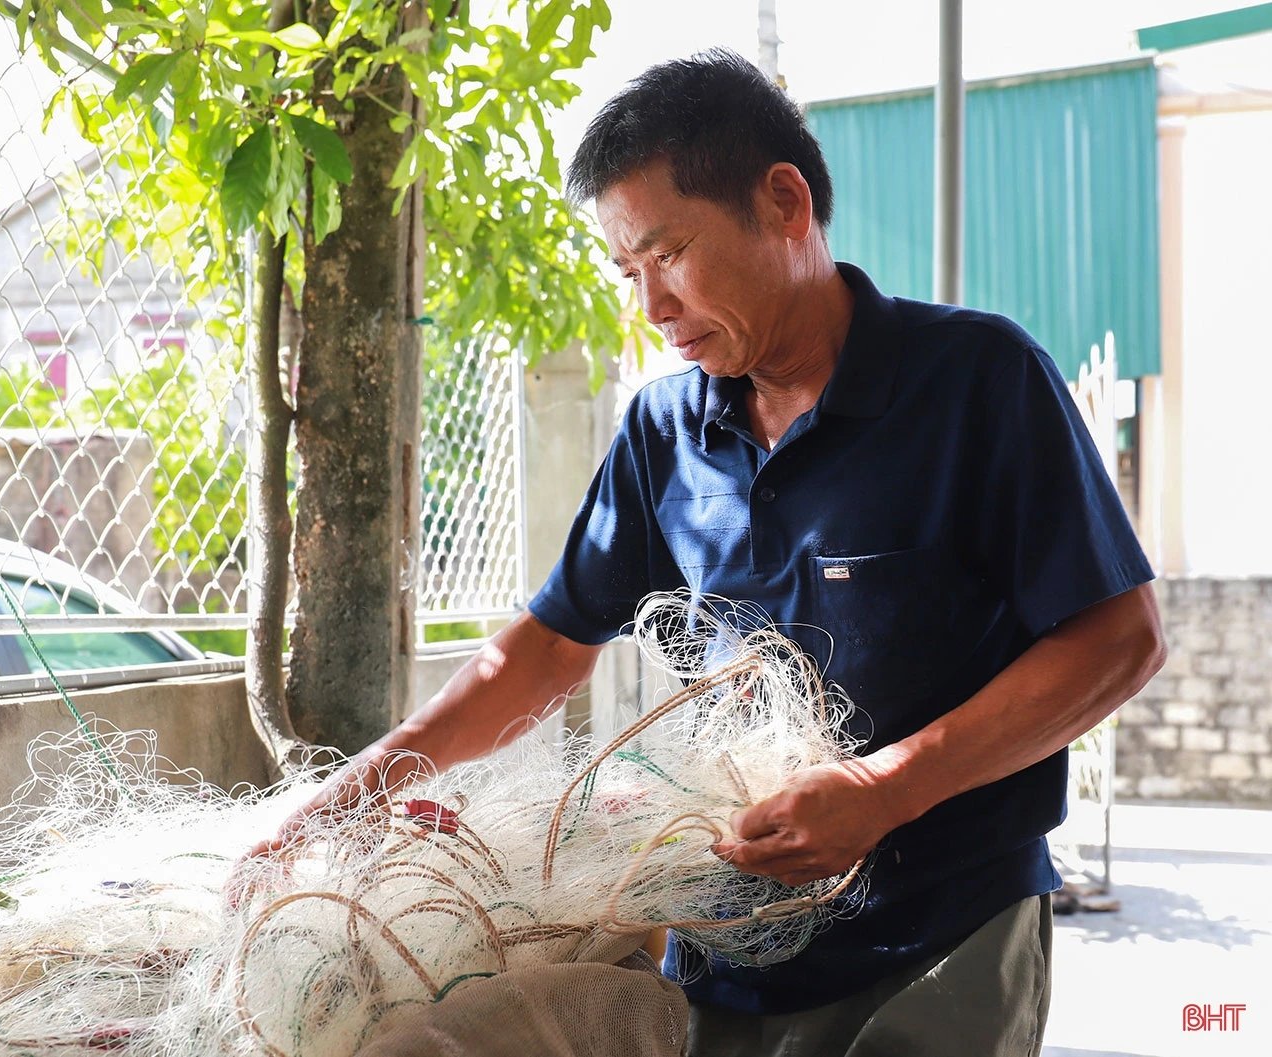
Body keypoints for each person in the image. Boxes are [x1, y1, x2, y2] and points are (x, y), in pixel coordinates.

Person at [247, 49, 1166, 1057]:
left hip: (943, 938)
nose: (652, 306)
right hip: (727, 944)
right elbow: (545, 650)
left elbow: (1119, 639)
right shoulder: (662, 434)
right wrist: (361, 784)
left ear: (784, 203)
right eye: (628, 272)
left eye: (669, 254)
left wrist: (886, 787)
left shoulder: (979, 382)